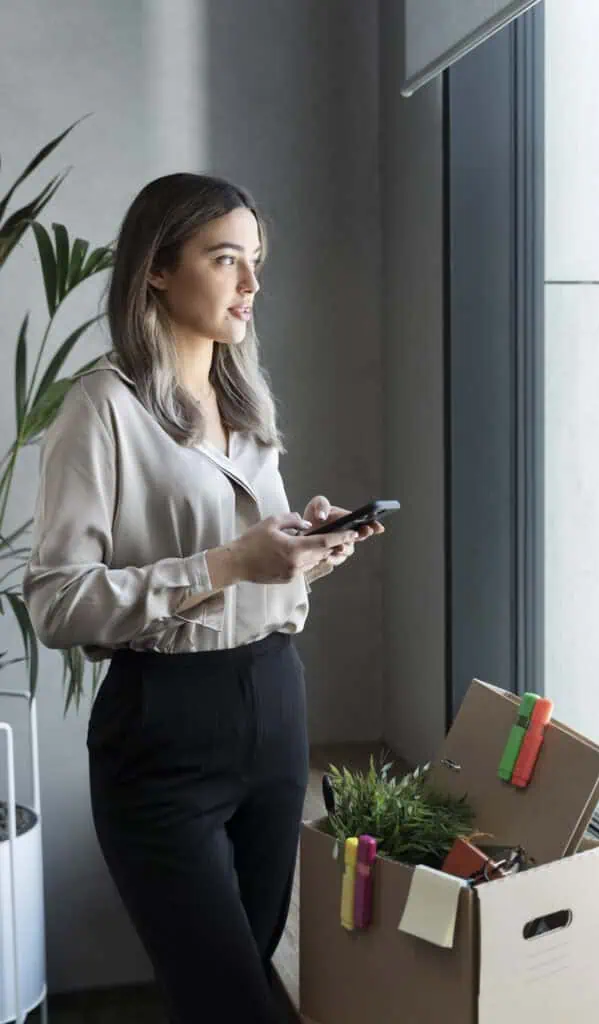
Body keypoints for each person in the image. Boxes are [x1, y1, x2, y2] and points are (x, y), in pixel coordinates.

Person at [23, 173, 384, 1024]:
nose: (251, 285)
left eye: (254, 261)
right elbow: (56, 604)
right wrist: (225, 566)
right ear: (157, 268)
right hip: (163, 730)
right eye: (227, 260)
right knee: (227, 1001)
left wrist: (302, 549)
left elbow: (252, 567)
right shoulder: (100, 410)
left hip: (274, 705)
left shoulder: (244, 402)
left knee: (244, 976)